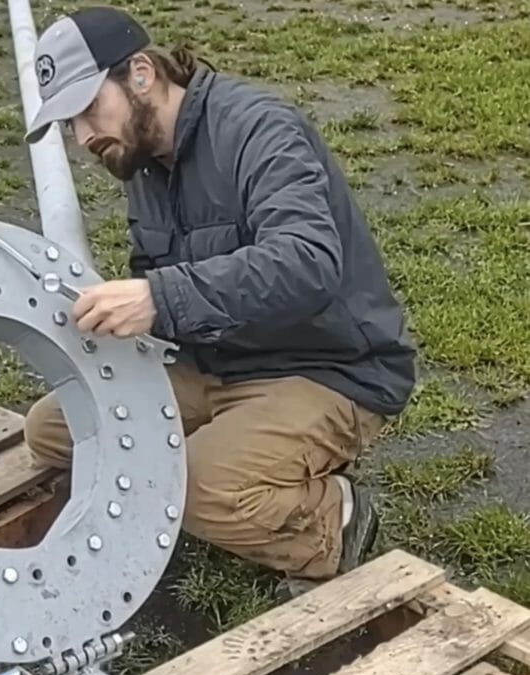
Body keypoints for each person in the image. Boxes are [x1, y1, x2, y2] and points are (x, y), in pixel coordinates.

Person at [20, 5, 417, 593]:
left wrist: (158, 297)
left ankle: (337, 520)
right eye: (67, 124)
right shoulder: (141, 163)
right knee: (52, 427)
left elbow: (308, 260)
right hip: (215, 361)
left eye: (85, 109)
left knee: (198, 485)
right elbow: (162, 292)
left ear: (140, 74)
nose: (82, 137)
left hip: (326, 368)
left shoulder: (258, 128)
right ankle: (246, 460)